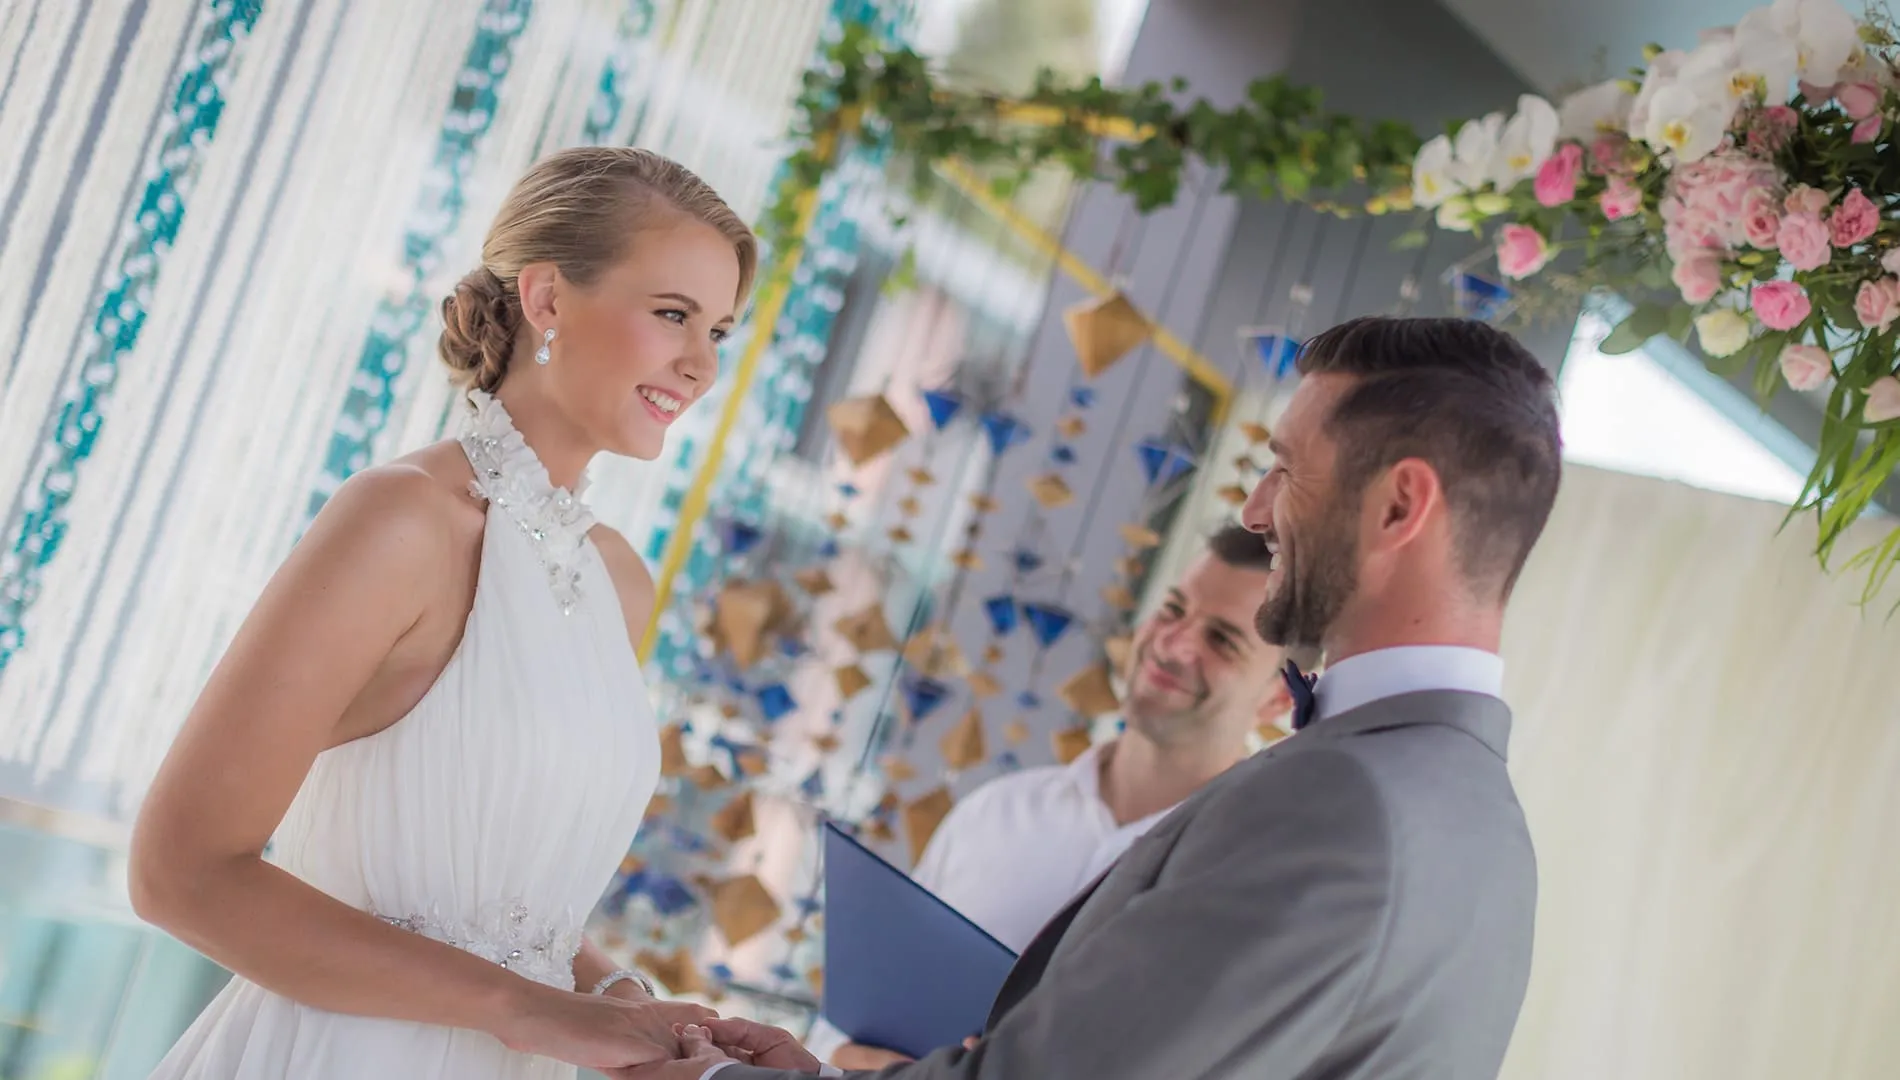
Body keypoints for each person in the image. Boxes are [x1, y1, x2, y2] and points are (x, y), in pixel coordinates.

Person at [642, 314, 1562, 1080]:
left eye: (1288, 469)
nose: (1254, 510)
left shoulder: (1343, 797)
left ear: (1400, 507)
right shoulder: (1489, 831)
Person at [129, 147, 757, 1079]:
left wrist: (617, 999)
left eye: (720, 330)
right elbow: (179, 874)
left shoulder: (614, 581)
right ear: (545, 300)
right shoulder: (401, 520)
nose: (700, 364)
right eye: (673, 315)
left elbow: (499, 898)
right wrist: (528, 1012)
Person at [812, 525, 1292, 1069]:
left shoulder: (1240, 877)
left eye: (1223, 641)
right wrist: (849, 1058)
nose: (1174, 643)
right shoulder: (996, 810)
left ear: (1277, 698)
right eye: (1173, 609)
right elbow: (857, 1019)